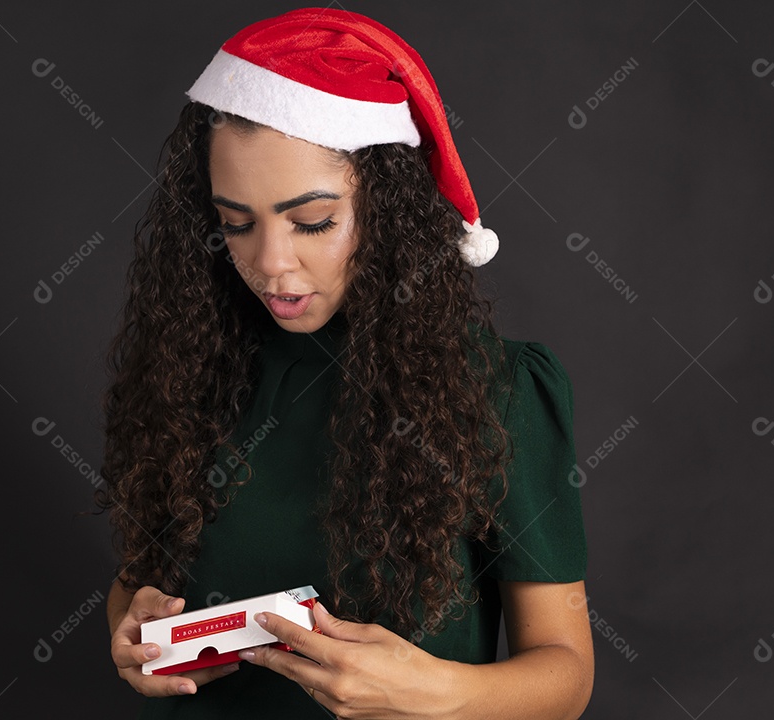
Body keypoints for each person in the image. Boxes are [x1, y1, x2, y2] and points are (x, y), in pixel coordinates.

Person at [99, 7, 593, 719]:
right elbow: (137, 582)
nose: (270, 263)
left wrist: (434, 692)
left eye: (313, 222)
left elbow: (566, 676)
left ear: (386, 211)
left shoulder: (501, 390)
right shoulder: (188, 374)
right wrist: (133, 629)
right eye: (236, 223)